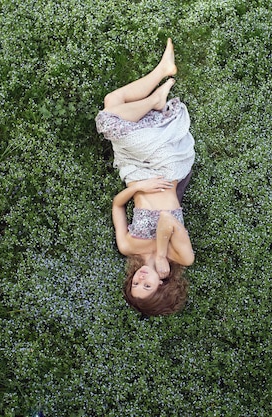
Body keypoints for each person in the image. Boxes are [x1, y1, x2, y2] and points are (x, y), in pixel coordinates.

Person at [95, 38, 195, 316]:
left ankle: (162, 77)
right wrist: (161, 254)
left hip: (135, 171)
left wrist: (139, 186)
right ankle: (156, 93)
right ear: (162, 286)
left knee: (112, 103)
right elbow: (166, 220)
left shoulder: (128, 248)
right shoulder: (182, 257)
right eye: (146, 286)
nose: (140, 279)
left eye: (135, 284)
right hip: (166, 166)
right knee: (108, 120)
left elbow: (117, 205)